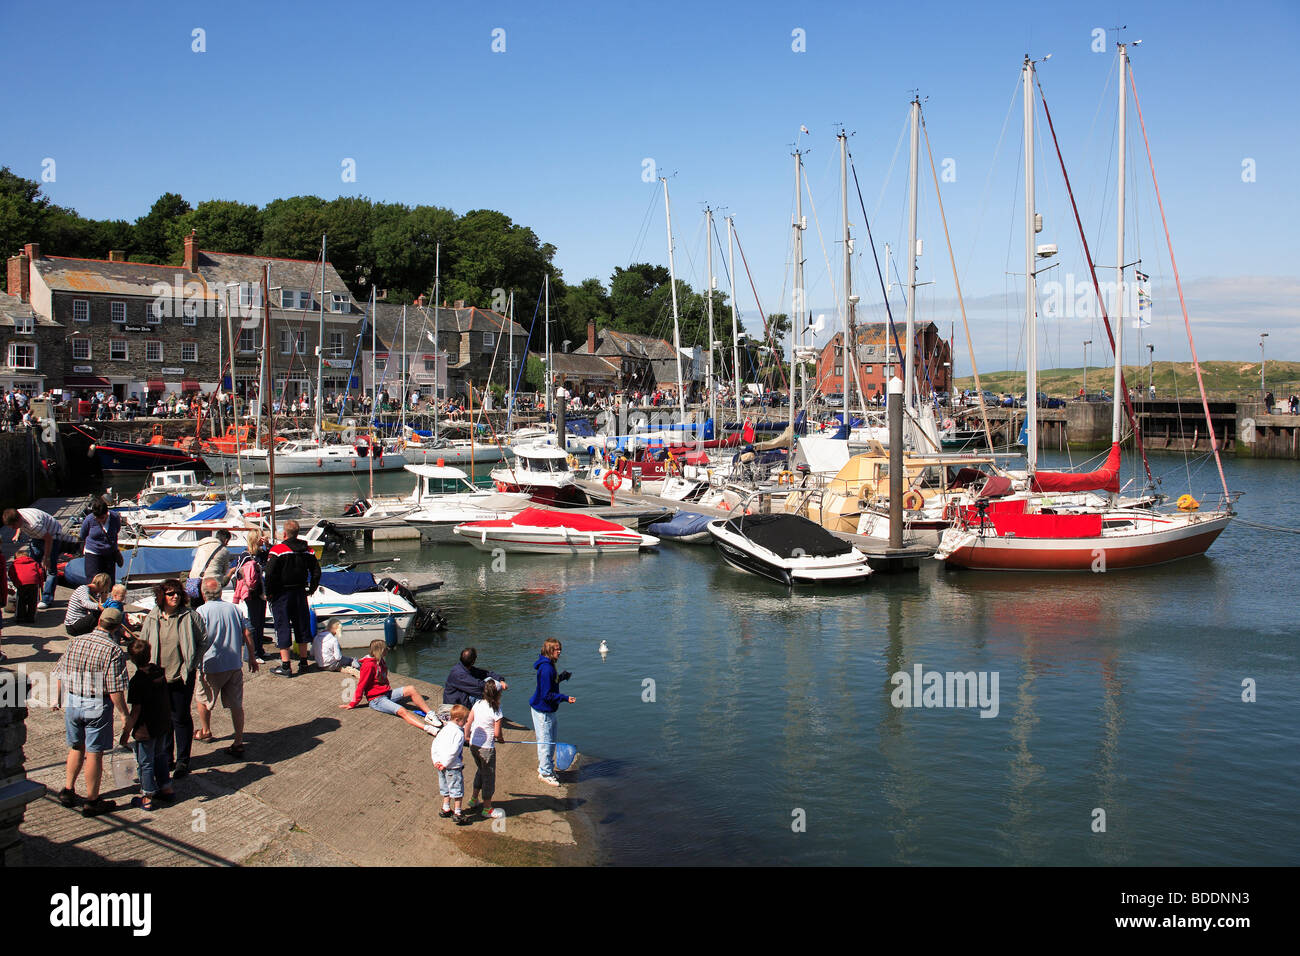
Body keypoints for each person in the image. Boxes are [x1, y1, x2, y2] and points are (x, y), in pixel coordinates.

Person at [52, 607, 130, 816]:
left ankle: (68, 790)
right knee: (94, 753)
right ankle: (92, 800)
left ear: (99, 622)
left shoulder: (76, 641)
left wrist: (57, 698)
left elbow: (61, 671)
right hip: (96, 704)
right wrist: (124, 713)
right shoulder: (113, 650)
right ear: (116, 628)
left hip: (74, 701)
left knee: (76, 747)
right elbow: (114, 688)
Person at [140, 579, 205, 779]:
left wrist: (192, 663)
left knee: (181, 718)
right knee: (164, 718)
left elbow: (204, 640)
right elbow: (143, 641)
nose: (175, 596)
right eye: (170, 593)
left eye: (177, 593)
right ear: (162, 596)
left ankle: (183, 760)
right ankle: (166, 756)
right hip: (158, 677)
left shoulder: (190, 616)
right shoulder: (153, 617)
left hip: (181, 676)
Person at [193, 577, 258, 756]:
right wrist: (252, 657)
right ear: (220, 592)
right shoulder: (234, 609)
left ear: (203, 593)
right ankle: (238, 740)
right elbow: (247, 633)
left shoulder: (201, 611)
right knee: (236, 704)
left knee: (203, 700)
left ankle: (205, 731)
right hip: (233, 663)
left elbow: (196, 638)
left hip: (210, 664)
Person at [118, 638, 175, 811]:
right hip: (162, 723)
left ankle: (147, 796)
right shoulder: (158, 672)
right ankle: (166, 787)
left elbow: (135, 711)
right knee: (160, 756)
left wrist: (126, 733)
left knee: (145, 762)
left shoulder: (137, 681)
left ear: (132, 659)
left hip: (145, 729)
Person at [341, 639, 440, 733]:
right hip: (376, 699)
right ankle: (427, 728)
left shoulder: (380, 661)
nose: (387, 650)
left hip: (386, 693)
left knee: (411, 689)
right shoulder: (368, 666)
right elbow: (361, 685)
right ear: (380, 651)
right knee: (402, 711)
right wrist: (353, 703)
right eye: (385, 649)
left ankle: (429, 714)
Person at [264, 520, 320, 678]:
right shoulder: (307, 550)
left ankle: (286, 665)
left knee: (283, 626)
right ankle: (303, 662)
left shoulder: (278, 550)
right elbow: (316, 572)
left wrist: (269, 592)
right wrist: (312, 588)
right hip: (300, 592)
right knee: (302, 624)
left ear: (284, 534)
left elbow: (269, 574)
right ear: (298, 533)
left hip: (281, 594)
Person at [3, 506, 77, 609]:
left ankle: (46, 599)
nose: (12, 529)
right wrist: (18, 533)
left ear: (18, 520)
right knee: (33, 567)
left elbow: (48, 539)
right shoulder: (17, 514)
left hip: (51, 535)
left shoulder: (33, 525)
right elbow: (20, 525)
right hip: (37, 536)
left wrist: (46, 558)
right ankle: (34, 596)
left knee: (50, 569)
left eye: (13, 526)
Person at [528, 638, 574, 787]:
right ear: (549, 651)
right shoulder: (546, 669)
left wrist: (561, 677)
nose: (559, 652)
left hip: (548, 710)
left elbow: (550, 685)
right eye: (556, 649)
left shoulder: (549, 665)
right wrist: (565, 698)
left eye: (560, 648)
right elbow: (546, 695)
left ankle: (547, 767)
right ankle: (545, 772)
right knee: (545, 742)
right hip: (543, 711)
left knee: (551, 740)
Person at [466, 679, 505, 819]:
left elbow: (468, 722)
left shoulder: (477, 704)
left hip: (473, 746)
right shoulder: (496, 710)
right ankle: (487, 808)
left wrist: (467, 736)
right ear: (498, 694)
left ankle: (474, 799)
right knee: (488, 776)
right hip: (487, 748)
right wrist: (501, 739)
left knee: (480, 771)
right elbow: (497, 734)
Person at [431, 704, 471, 825]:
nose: (467, 721)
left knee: (445, 787)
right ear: (458, 720)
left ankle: (446, 808)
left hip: (440, 765)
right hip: (452, 767)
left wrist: (436, 761)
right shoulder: (459, 734)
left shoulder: (444, 729)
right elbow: (454, 751)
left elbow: (435, 745)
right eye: (465, 720)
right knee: (457, 790)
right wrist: (445, 763)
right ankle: (458, 813)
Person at [232, 529, 268, 662]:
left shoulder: (261, 553)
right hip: (251, 592)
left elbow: (269, 560)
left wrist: (268, 545)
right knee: (253, 622)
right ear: (256, 539)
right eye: (261, 537)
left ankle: (260, 649)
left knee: (260, 621)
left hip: (261, 591)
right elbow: (237, 573)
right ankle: (252, 653)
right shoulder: (245, 555)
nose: (263, 539)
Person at [442, 647, 507, 708]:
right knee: (491, 699)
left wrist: (500, 680)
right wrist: (497, 686)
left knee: (488, 680)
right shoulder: (459, 674)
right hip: (455, 706)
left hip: (464, 697)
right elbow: (478, 685)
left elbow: (485, 673)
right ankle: (495, 715)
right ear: (473, 661)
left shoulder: (464, 667)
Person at [79, 498, 122, 586]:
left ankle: (107, 599)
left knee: (108, 582)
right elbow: (83, 535)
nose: (99, 520)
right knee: (93, 582)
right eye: (96, 517)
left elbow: (116, 530)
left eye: (101, 517)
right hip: (93, 553)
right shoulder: (89, 520)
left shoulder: (115, 517)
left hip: (109, 553)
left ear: (107, 513)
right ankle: (92, 599)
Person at [188, 529, 234, 604]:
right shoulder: (224, 550)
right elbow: (225, 571)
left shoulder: (202, 546)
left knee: (195, 606)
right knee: (211, 605)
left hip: (193, 580)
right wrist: (231, 572)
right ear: (226, 540)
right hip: (210, 583)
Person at [8, 551, 44, 623]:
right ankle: (31, 617)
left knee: (20, 600)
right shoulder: (34, 563)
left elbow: (11, 574)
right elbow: (40, 573)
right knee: (32, 601)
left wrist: (15, 583)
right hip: (34, 583)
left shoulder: (14, 564)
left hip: (21, 583)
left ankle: (20, 617)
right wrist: (40, 585)